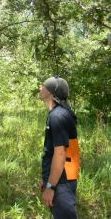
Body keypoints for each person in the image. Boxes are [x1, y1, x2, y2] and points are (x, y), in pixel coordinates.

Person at [38, 75, 80, 219]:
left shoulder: (58, 117)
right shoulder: (56, 115)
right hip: (59, 179)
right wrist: (46, 178)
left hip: (62, 182)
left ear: (50, 92)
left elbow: (61, 155)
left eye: (43, 86)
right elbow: (53, 152)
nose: (40, 88)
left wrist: (51, 187)